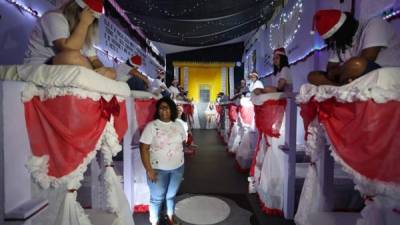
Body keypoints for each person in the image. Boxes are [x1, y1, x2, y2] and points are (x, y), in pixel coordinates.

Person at [24, 0, 116, 79]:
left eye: (93, 18)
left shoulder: (85, 31)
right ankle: (97, 79)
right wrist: (83, 23)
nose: (91, 20)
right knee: (73, 57)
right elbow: (68, 48)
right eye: (90, 15)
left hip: (65, 66)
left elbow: (94, 59)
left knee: (111, 72)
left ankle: (96, 79)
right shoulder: (54, 16)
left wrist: (101, 69)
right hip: (40, 66)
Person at [308, 9, 400, 86]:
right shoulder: (339, 41)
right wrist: (338, 72)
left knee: (356, 64)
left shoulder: (374, 24)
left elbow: (368, 59)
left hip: (379, 69)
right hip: (346, 74)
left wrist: (338, 71)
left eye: (335, 37)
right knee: (312, 76)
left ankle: (341, 85)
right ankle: (341, 86)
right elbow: (330, 69)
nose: (333, 42)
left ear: (343, 29)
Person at [139, 97, 186, 225]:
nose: (163, 109)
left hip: (178, 168)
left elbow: (183, 142)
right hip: (158, 170)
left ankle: (170, 217)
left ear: (172, 109)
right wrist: (149, 170)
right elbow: (143, 148)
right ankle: (154, 221)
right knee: (157, 199)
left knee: (171, 196)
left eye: (167, 107)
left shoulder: (179, 125)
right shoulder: (152, 126)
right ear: (157, 110)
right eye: (161, 107)